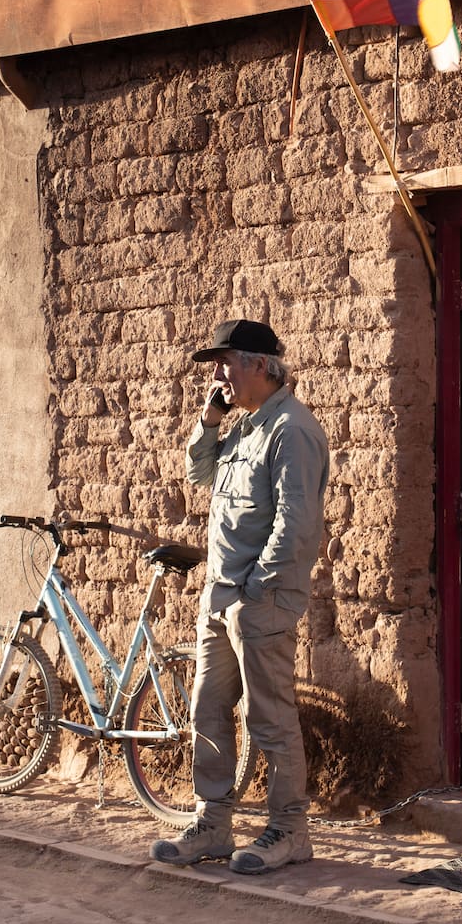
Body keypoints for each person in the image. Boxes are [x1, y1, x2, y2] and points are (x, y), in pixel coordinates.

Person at [150, 318, 329, 874]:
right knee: (208, 709)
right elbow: (200, 472)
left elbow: (298, 523)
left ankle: (289, 831)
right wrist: (210, 420)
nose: (219, 375)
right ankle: (213, 825)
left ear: (258, 364)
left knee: (270, 718)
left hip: (258, 600)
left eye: (226, 363)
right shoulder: (245, 426)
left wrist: (257, 590)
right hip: (220, 596)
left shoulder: (290, 430)